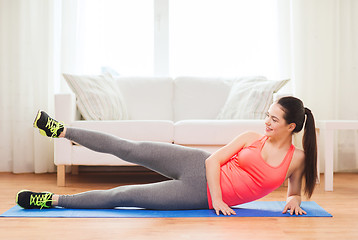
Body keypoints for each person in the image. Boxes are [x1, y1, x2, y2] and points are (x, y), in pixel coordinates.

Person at [16, 96, 317, 216]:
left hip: (196, 193)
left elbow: (292, 190)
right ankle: (60, 130)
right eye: (267, 115)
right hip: (198, 165)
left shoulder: (297, 159)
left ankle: (51, 200)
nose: (267, 122)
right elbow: (213, 161)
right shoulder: (252, 138)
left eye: (274, 120)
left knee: (125, 194)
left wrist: (294, 199)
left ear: (291, 126)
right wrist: (221, 200)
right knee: (128, 148)